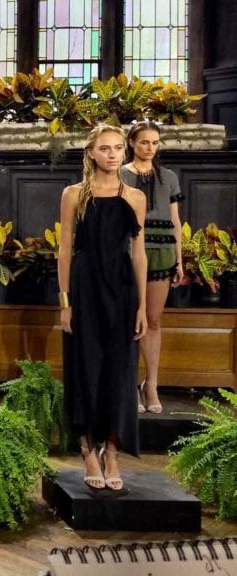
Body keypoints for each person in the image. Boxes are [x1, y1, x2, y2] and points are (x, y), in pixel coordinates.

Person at [59, 125, 148, 491]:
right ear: (91, 153)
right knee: (84, 367)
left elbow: (138, 253)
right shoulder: (73, 195)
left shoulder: (135, 197)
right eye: (104, 148)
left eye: (117, 148)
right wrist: (64, 302)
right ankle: (86, 448)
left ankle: (112, 450)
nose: (112, 154)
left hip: (123, 289)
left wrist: (142, 306)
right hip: (84, 288)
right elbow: (64, 249)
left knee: (120, 371)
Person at [121, 120, 185, 415]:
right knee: (127, 320)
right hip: (127, 251)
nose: (150, 147)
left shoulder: (169, 177)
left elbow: (175, 221)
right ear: (132, 143)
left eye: (155, 142)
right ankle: (128, 385)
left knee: (153, 320)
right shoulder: (120, 174)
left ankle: (152, 385)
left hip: (162, 253)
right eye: (144, 142)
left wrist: (180, 260)